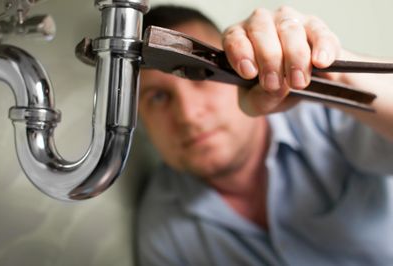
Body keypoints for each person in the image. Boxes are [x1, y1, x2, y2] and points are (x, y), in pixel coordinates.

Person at [136, 4, 393, 266]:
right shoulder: (162, 238)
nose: (188, 116)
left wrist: (333, 75)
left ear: (241, 71)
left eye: (202, 76)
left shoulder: (327, 117)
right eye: (157, 97)